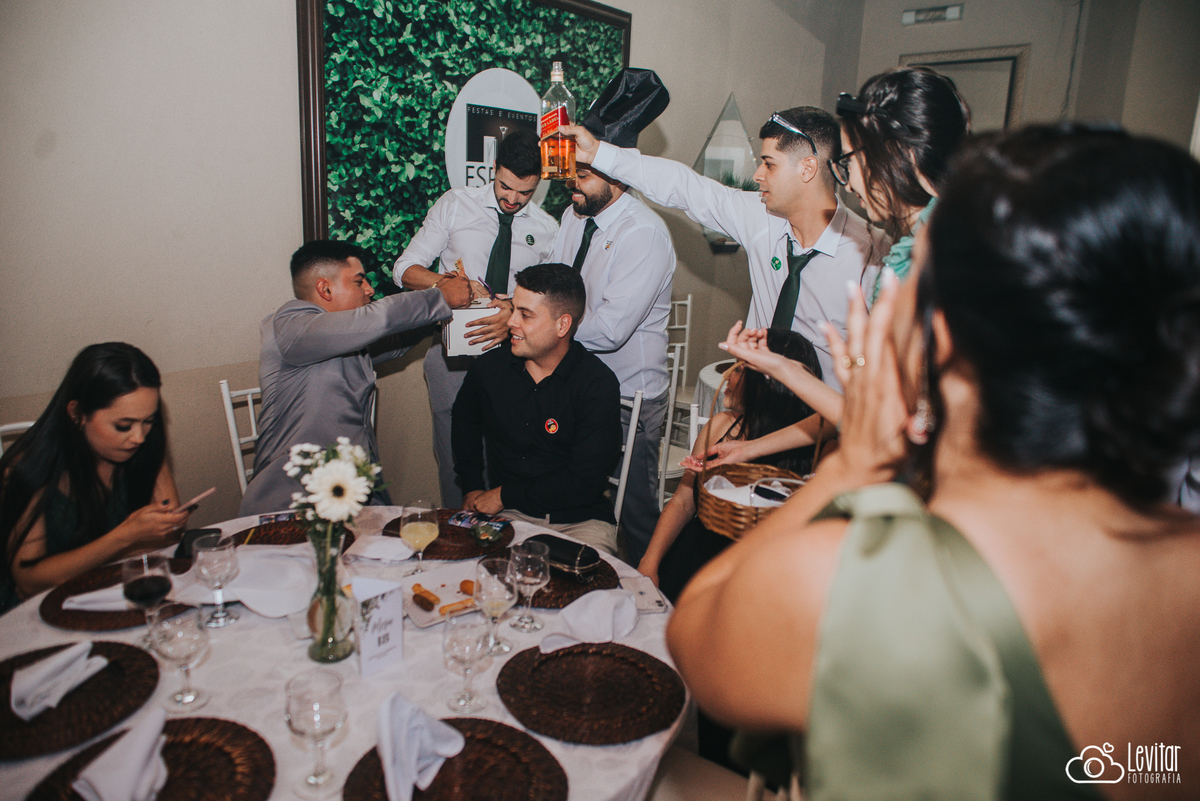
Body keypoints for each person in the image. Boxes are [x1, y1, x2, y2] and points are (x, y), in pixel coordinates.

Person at [668, 126, 1200, 797]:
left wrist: (852, 464)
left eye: (913, 276)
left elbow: (697, 634)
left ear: (939, 335)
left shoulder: (855, 581)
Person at [703, 68, 971, 468]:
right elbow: (864, 412)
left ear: (896, 154)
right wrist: (776, 378)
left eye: (848, 161)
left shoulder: (938, 260)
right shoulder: (921, 245)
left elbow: (890, 427)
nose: (846, 181)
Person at [562, 106, 884, 390]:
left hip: (826, 418)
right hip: (756, 401)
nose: (757, 175)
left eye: (769, 164)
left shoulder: (873, 254)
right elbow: (684, 187)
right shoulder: (761, 217)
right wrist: (599, 154)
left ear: (807, 168)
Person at [239, 239, 471, 516]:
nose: (369, 290)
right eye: (359, 282)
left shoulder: (343, 338)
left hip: (349, 495)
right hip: (291, 500)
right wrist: (438, 296)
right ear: (325, 289)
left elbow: (394, 339)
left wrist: (439, 311)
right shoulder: (290, 325)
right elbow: (376, 319)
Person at [394, 129, 558, 507]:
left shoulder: (547, 229)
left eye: (525, 192)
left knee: (511, 457)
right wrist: (448, 284)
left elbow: (550, 301)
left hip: (515, 360)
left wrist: (514, 308)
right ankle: (457, 532)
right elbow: (404, 269)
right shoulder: (455, 204)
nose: (512, 199)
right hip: (454, 358)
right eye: (505, 186)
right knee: (457, 460)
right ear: (494, 168)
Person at [550, 145, 675, 565]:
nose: (572, 183)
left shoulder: (644, 234)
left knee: (636, 512)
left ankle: (654, 586)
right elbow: (554, 285)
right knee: (575, 491)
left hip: (629, 394)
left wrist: (546, 328)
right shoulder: (574, 216)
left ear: (617, 176)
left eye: (584, 175)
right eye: (572, 172)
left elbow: (610, 329)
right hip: (577, 383)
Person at [0, 343, 190, 613]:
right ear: (77, 413)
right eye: (123, 425)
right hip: (38, 611)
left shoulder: (146, 446)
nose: (139, 437)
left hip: (112, 593)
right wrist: (126, 537)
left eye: (148, 421)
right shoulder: (30, 468)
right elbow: (30, 581)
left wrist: (76, 562)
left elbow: (168, 536)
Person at [638, 328, 822, 602]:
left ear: (768, 383)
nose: (726, 376)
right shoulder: (720, 426)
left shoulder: (817, 449)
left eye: (740, 369)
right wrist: (649, 562)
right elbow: (683, 502)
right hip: (698, 559)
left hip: (766, 575)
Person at [452, 263, 623, 555]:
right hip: (507, 515)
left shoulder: (597, 384)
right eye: (513, 309)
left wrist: (503, 495)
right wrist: (471, 485)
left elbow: (583, 482)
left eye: (525, 314)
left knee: (586, 581)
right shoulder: (490, 369)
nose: (511, 322)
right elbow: (464, 419)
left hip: (579, 520)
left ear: (562, 325)